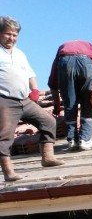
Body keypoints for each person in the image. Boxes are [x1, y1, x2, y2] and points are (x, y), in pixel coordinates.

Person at [0, 16, 64, 182]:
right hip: (5, 100)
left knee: (48, 121)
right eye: (8, 34)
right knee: (5, 135)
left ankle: (47, 158)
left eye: (14, 35)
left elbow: (30, 74)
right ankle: (8, 172)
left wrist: (34, 89)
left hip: (24, 100)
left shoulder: (20, 54)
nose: (11, 38)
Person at [48, 40, 92, 152]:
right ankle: (85, 140)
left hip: (65, 63)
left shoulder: (62, 47)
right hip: (86, 63)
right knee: (87, 102)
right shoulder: (90, 45)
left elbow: (54, 76)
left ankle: (72, 141)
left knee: (70, 103)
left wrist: (57, 106)